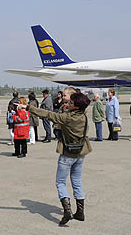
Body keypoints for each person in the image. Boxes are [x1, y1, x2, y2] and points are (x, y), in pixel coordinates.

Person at [19, 92, 92, 226]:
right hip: (81, 153)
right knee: (76, 181)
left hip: (67, 154)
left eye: (71, 102)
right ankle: (80, 212)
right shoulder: (84, 116)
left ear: (76, 106)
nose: (68, 103)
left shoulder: (67, 118)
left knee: (60, 182)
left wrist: (28, 107)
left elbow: (47, 114)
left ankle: (67, 211)